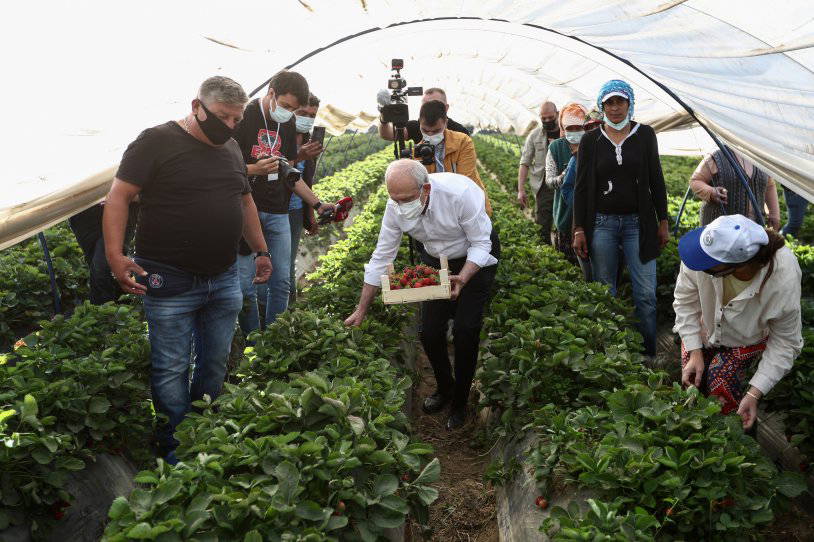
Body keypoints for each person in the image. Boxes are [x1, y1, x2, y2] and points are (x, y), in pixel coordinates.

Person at [102, 76, 272, 463]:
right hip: (168, 276)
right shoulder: (156, 142)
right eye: (223, 117)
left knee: (215, 360)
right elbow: (118, 197)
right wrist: (115, 255)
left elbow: (244, 202)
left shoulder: (230, 148)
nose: (230, 126)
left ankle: (203, 428)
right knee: (170, 367)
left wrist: (261, 250)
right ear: (197, 106)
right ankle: (174, 445)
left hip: (224, 274)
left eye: (237, 119)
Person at [344, 160, 499, 430]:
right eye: (395, 199)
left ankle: (461, 402)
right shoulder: (395, 207)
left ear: (425, 188)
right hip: (436, 258)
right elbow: (382, 256)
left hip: (474, 257)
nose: (401, 205)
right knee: (428, 332)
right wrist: (361, 309)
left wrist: (463, 277)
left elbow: (481, 242)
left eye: (407, 199)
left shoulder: (459, 194)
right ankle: (445, 387)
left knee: (466, 330)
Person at [674, 214, 803, 430]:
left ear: (736, 268)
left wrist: (754, 393)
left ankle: (734, 440)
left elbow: (786, 342)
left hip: (747, 338)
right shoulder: (708, 249)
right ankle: (695, 437)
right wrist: (695, 351)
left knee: (721, 385)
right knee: (692, 386)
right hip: (704, 328)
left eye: (708, 268)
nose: (698, 266)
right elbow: (685, 302)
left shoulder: (782, 277)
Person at [572, 80, 669, 359]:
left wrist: (662, 221)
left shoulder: (645, 134)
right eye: (609, 103)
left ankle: (648, 355)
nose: (615, 108)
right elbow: (581, 187)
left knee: (646, 296)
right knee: (605, 293)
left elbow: (656, 179)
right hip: (602, 223)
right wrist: (579, 227)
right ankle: (610, 355)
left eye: (620, 102)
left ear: (630, 104)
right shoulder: (591, 139)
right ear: (602, 107)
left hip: (638, 224)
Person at [232, 70, 332, 330]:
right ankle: (254, 342)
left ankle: (275, 336)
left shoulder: (286, 122)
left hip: (278, 210)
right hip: (245, 211)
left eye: (294, 109)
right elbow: (218, 167)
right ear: (271, 93)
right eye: (286, 105)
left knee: (281, 281)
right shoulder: (243, 117)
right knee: (247, 283)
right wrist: (255, 169)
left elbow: (290, 173)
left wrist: (318, 204)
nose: (288, 112)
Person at [414, 100, 492, 216]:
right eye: (425, 130)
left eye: (436, 131)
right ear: (420, 122)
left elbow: (466, 183)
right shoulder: (418, 152)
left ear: (445, 122)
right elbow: (422, 189)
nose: (430, 135)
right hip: (438, 214)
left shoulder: (462, 142)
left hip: (468, 206)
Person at [545, 102, 590, 277]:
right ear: (563, 127)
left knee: (588, 269)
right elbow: (549, 181)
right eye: (569, 127)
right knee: (567, 270)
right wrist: (565, 176)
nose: (574, 131)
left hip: (590, 220)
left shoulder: (593, 143)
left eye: (578, 127)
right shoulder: (556, 147)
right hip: (565, 216)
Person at [689, 147, 780, 229]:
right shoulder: (717, 156)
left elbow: (770, 185)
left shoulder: (760, 158)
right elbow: (695, 181)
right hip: (719, 230)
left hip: (754, 230)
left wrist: (774, 214)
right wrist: (712, 192)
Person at [69, 201, 138, 304]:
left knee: (102, 264)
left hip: (121, 202)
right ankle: (120, 304)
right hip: (82, 210)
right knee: (96, 265)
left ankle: (103, 310)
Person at [289, 93, 322, 304]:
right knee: (276, 266)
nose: (307, 118)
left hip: (295, 210)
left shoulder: (310, 140)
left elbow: (306, 180)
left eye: (312, 115)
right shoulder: (279, 138)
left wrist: (310, 213)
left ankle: (288, 310)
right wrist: (298, 155)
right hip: (275, 208)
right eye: (303, 113)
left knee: (287, 262)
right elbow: (279, 171)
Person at [518, 101, 560, 243]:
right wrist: (520, 190)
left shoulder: (567, 132)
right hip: (544, 185)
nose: (547, 121)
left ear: (557, 114)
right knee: (543, 223)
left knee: (566, 223)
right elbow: (524, 163)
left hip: (566, 183)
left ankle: (566, 255)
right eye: (544, 118)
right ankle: (546, 251)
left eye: (550, 117)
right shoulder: (534, 135)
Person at [378, 87, 470, 144]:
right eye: (425, 105)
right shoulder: (416, 126)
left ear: (446, 108)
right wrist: (384, 115)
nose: (430, 109)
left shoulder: (460, 132)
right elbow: (388, 134)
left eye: (436, 104)